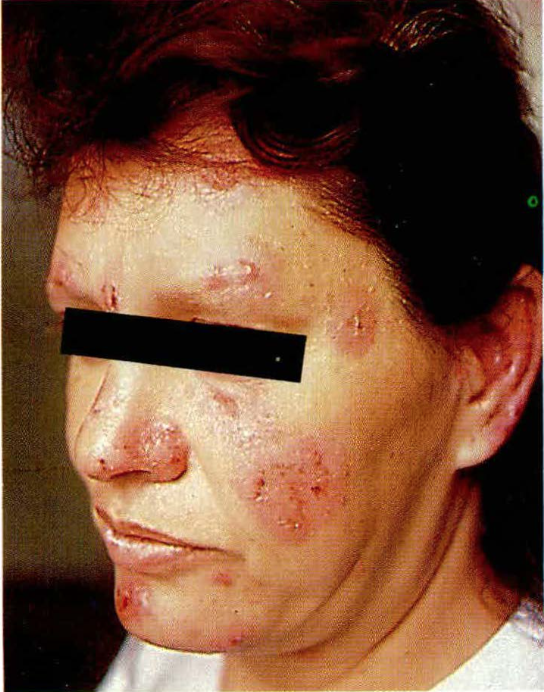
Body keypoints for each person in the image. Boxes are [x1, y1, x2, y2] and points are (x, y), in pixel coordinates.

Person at [4, 0, 543, 689]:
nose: (101, 447)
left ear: (489, 367)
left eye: (221, 346)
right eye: (89, 331)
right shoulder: (184, 653)